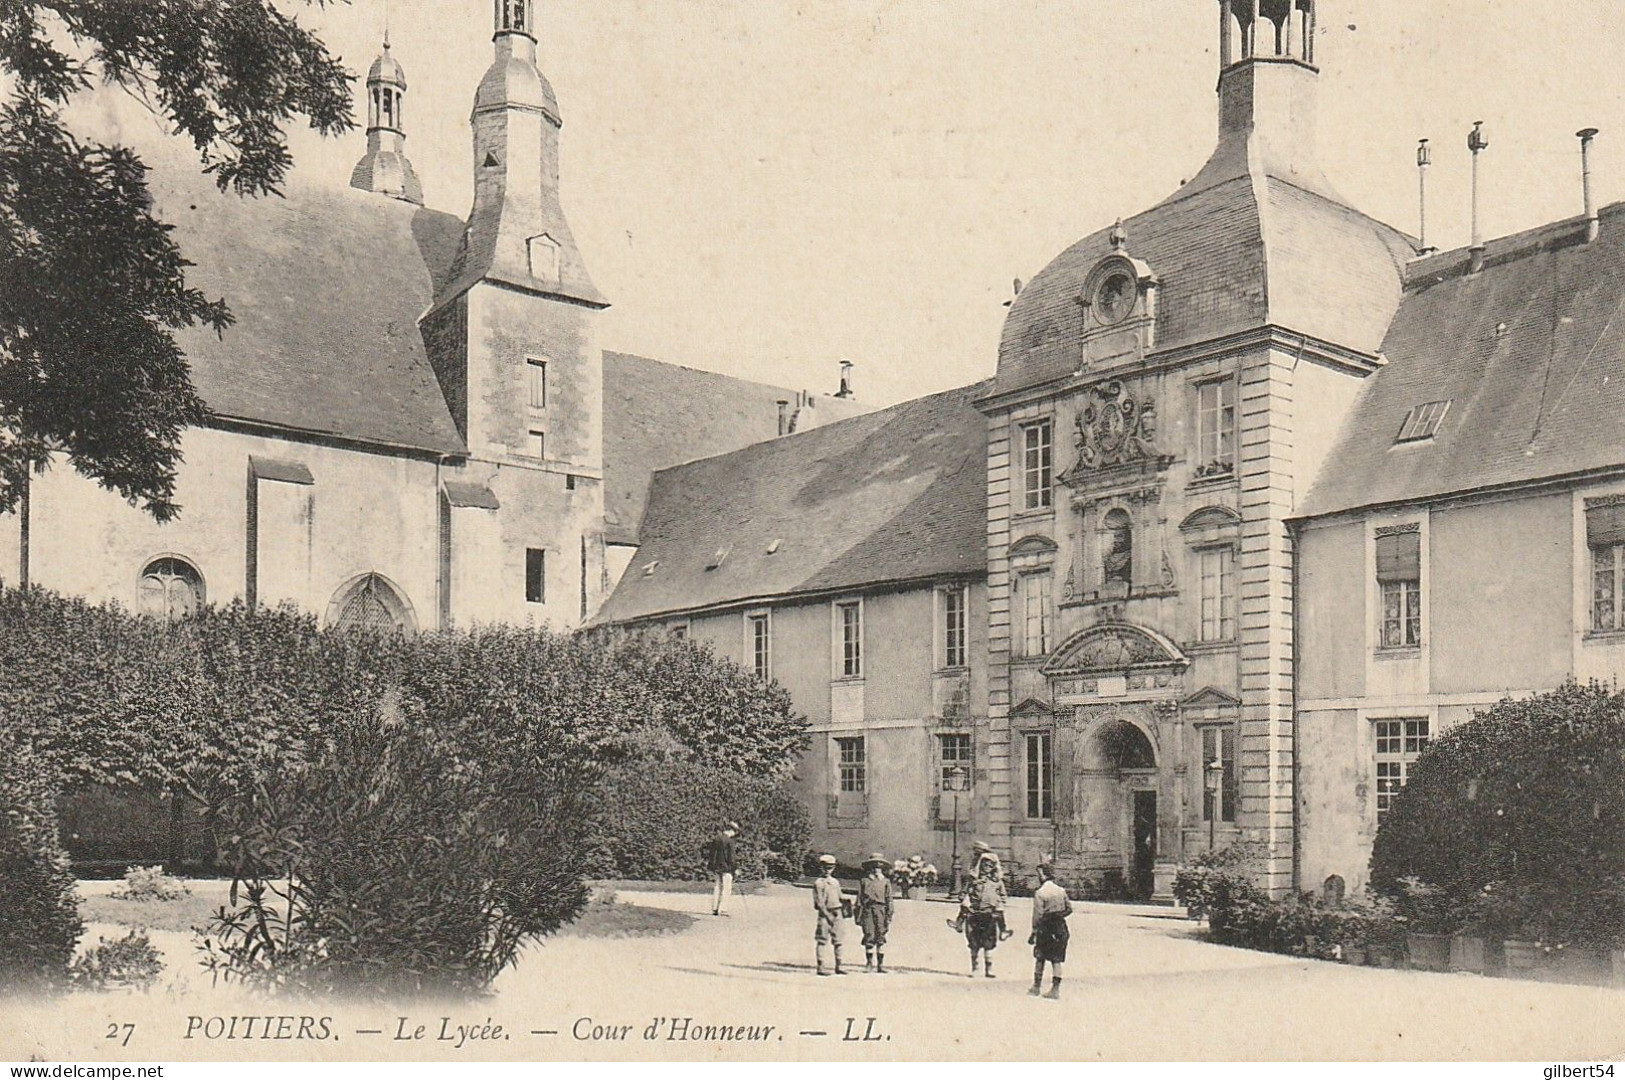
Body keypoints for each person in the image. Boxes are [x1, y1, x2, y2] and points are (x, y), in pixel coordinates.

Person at [1028, 860, 1073, 999]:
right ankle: (1055, 989)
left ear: (1043, 875)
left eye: (1039, 874)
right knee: (1056, 959)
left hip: (1046, 927)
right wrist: (1058, 916)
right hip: (1060, 927)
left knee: (1040, 957)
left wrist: (1034, 932)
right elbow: (1069, 909)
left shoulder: (1040, 893)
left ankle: (1036, 987)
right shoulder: (1061, 890)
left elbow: (1038, 915)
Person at [959, 853, 1005, 977]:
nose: (987, 868)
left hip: (988, 915)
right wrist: (964, 897)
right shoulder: (973, 880)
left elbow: (1003, 896)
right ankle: (975, 968)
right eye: (985, 865)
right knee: (974, 941)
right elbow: (963, 893)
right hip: (974, 914)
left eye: (990, 866)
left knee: (988, 942)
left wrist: (998, 903)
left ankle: (989, 969)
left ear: (994, 868)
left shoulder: (997, 882)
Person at [856, 853, 895, 972]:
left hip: (881, 910)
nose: (876, 869)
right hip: (868, 910)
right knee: (869, 934)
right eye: (874, 866)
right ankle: (869, 963)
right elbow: (859, 899)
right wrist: (858, 915)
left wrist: (889, 915)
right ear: (870, 867)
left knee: (881, 935)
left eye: (879, 866)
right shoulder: (864, 881)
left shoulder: (885, 882)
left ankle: (880, 964)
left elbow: (889, 899)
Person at [812, 853, 847, 976]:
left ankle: (839, 965)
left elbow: (840, 896)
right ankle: (820, 966)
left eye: (830, 867)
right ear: (820, 868)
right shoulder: (819, 883)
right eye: (825, 867)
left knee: (838, 940)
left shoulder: (835, 882)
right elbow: (819, 902)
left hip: (837, 912)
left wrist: (848, 904)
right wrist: (827, 915)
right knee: (822, 940)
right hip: (825, 913)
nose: (827, 870)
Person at [704, 821, 739, 916]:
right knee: (726, 888)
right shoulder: (730, 841)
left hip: (717, 867)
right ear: (732, 831)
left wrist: (712, 866)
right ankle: (723, 909)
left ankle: (715, 908)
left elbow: (712, 854)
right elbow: (731, 857)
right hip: (727, 868)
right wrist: (735, 868)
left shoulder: (716, 839)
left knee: (717, 887)